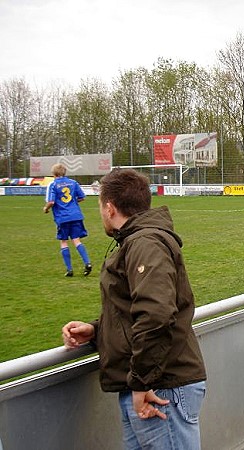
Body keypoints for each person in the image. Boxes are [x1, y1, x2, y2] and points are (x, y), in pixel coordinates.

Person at [61, 168, 207, 450]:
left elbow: (157, 315)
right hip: (150, 383)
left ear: (109, 207)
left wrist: (141, 384)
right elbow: (135, 312)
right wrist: (96, 330)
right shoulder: (136, 241)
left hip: (160, 386)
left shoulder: (144, 243)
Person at [43, 163, 92, 277]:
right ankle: (87, 262)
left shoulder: (53, 184)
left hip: (62, 217)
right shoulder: (73, 183)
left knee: (64, 241)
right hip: (76, 215)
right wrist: (72, 203)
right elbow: (82, 197)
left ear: (54, 174)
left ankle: (69, 270)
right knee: (76, 240)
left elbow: (51, 202)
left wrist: (46, 209)